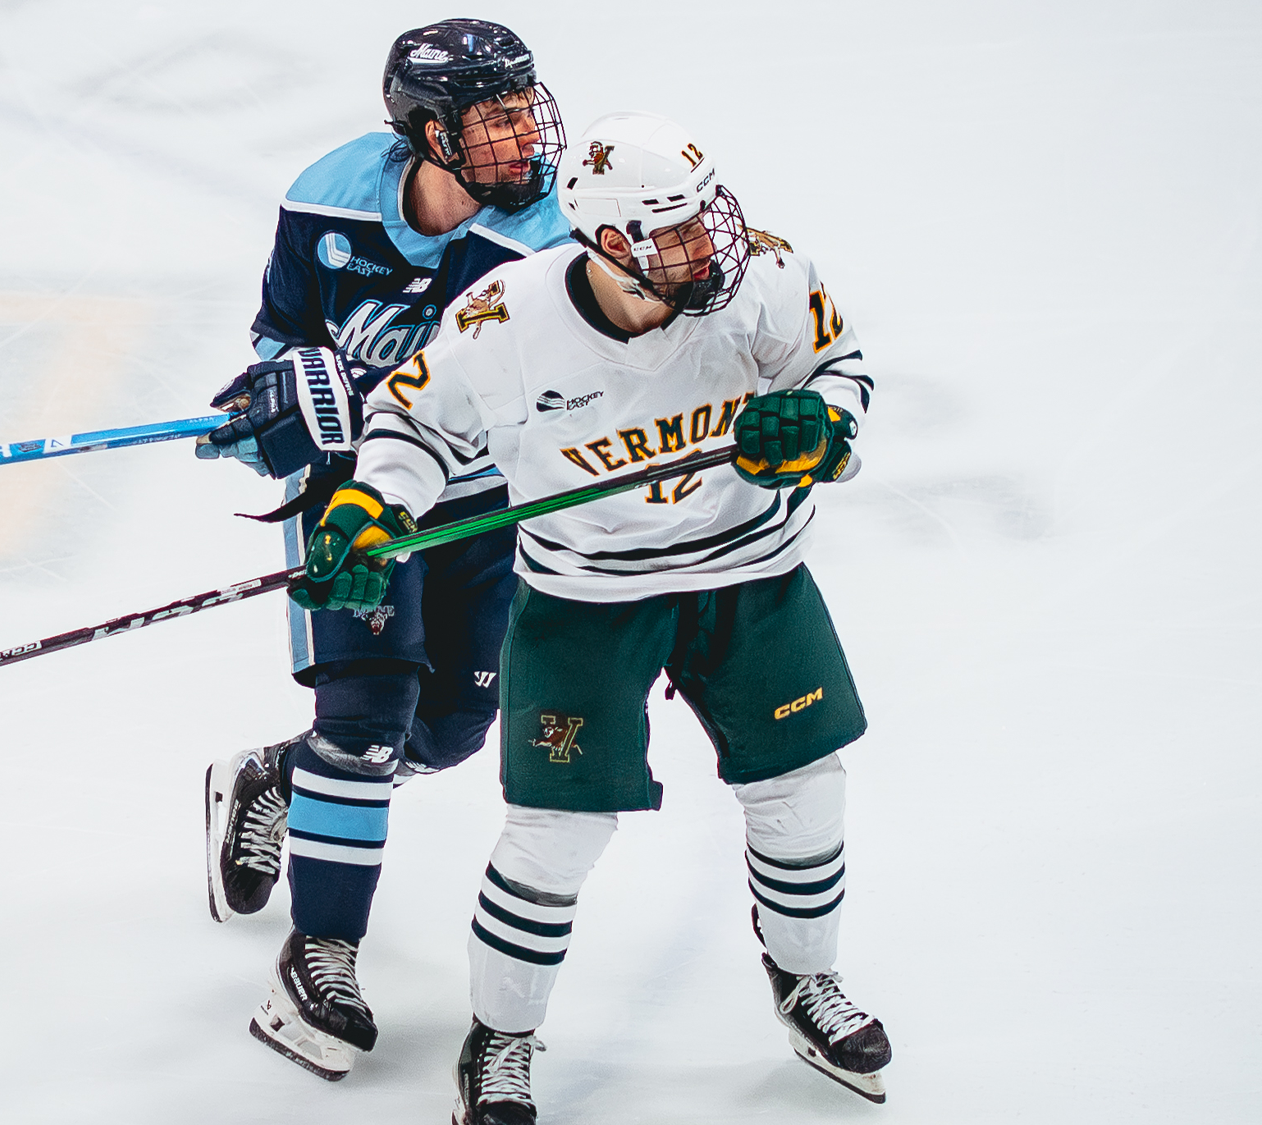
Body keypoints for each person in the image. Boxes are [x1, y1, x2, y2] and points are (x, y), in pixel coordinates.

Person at [290, 111, 891, 1123]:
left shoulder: (768, 278)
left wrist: (818, 426)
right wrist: (369, 503)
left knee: (801, 792)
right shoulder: (502, 322)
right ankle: (501, 1040)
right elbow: (411, 421)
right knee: (553, 836)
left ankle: (805, 984)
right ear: (611, 245)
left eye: (710, 215)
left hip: (749, 577)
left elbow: (841, 376)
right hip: (585, 597)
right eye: (680, 231)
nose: (715, 243)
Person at [195, 19, 569, 1082]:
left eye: (521, 108)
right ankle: (318, 955)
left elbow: (533, 400)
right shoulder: (328, 193)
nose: (521, 134)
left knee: (448, 730)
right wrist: (278, 394)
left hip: (482, 507)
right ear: (425, 132)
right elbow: (281, 335)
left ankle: (279, 781)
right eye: (490, 118)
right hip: (359, 500)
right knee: (361, 725)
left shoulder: (546, 243)